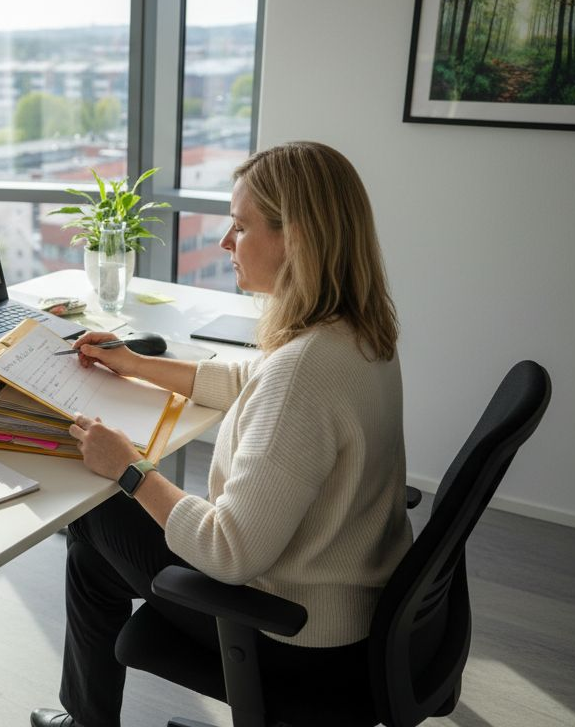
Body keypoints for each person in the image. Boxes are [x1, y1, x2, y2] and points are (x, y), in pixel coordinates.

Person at [30, 141, 413, 727]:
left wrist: (130, 468)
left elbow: (227, 553)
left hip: (290, 631)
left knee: (97, 513)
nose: (224, 243)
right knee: (94, 552)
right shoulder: (357, 333)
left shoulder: (303, 373)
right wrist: (133, 363)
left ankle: (87, 719)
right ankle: (86, 718)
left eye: (240, 227)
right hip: (352, 602)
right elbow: (246, 378)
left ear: (298, 239)